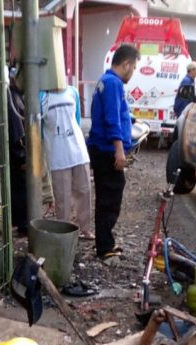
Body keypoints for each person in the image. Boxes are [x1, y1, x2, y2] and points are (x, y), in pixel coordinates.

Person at [86, 44, 140, 260]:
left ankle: (104, 242)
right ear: (126, 64)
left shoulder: (105, 81)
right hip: (107, 150)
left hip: (102, 149)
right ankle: (104, 246)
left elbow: (116, 114)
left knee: (106, 196)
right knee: (110, 197)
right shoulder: (113, 83)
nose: (133, 72)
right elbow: (111, 119)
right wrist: (119, 151)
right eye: (134, 67)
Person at [40, 85, 94, 240]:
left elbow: (76, 119)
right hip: (57, 153)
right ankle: (64, 230)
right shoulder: (41, 96)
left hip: (78, 150)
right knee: (62, 196)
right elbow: (40, 128)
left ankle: (84, 228)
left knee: (84, 190)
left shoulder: (72, 91)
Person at [7, 68, 28, 236]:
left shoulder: (17, 97)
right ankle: (23, 224)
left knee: (20, 190)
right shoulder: (12, 99)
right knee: (20, 190)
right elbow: (15, 132)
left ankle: (22, 223)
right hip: (16, 156)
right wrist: (21, 158)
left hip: (17, 154)